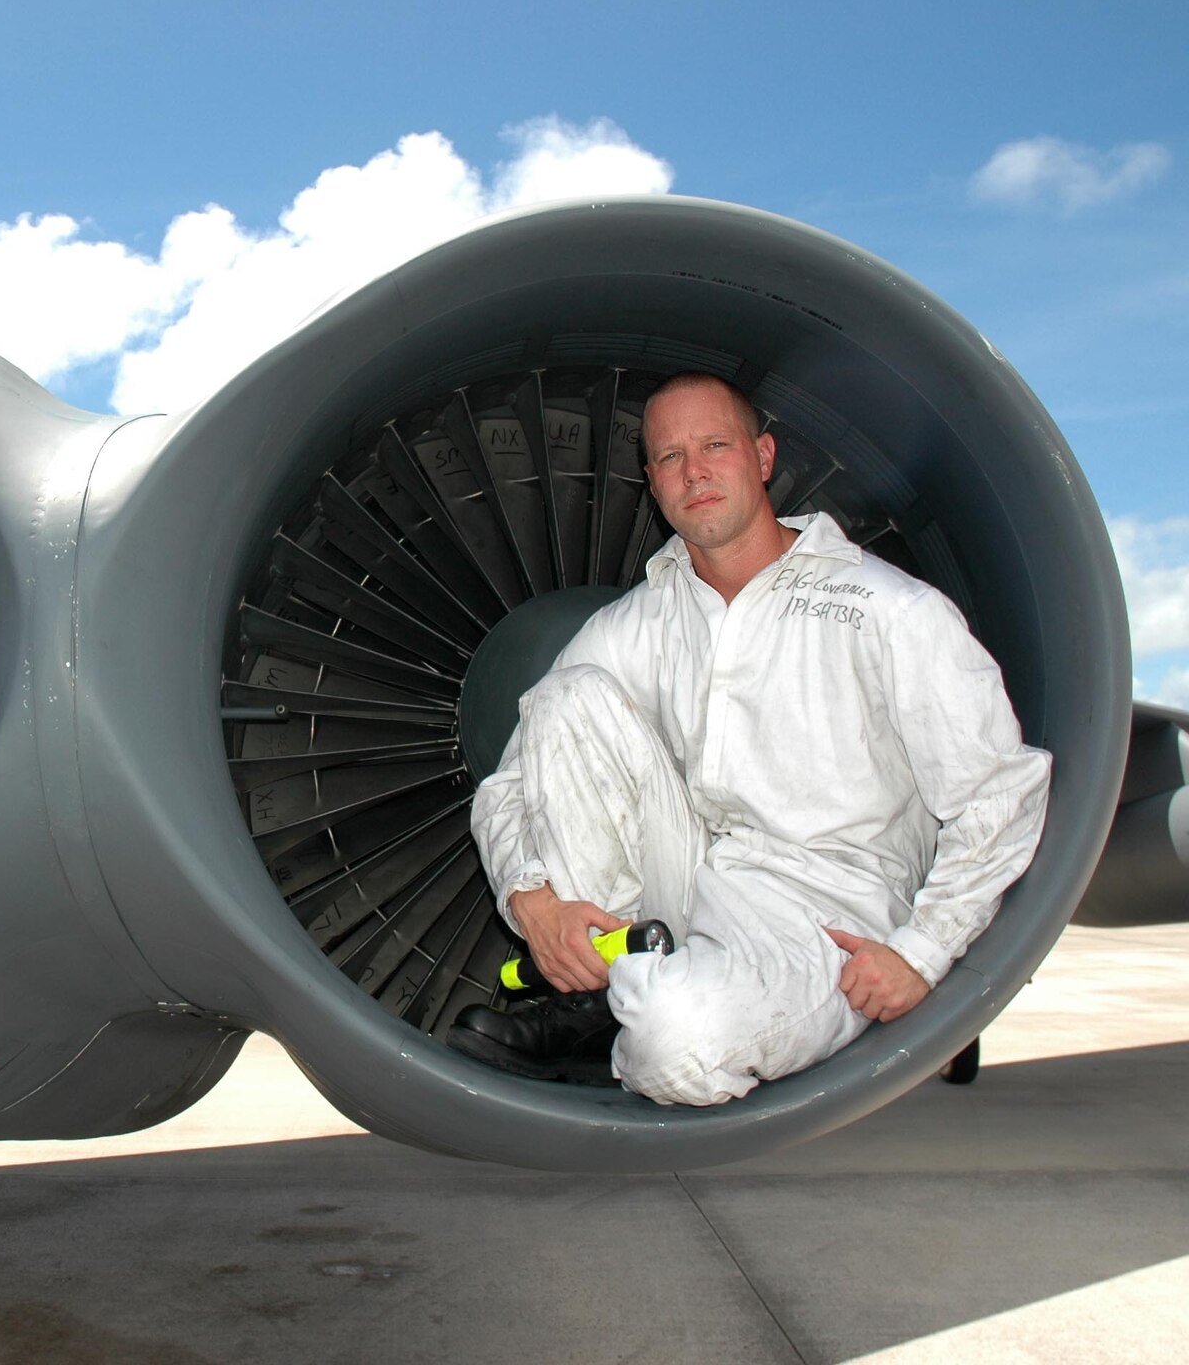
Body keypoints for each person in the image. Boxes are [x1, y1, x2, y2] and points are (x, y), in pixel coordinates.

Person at [450, 373, 1052, 1105]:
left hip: (824, 915)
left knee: (682, 1050)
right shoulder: (639, 622)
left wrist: (922, 952)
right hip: (684, 881)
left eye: (714, 446)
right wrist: (535, 903)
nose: (693, 472)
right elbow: (515, 781)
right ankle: (603, 994)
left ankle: (640, 1015)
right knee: (564, 696)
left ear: (763, 457)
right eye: (669, 458)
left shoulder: (887, 610)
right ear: (651, 482)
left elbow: (1001, 791)